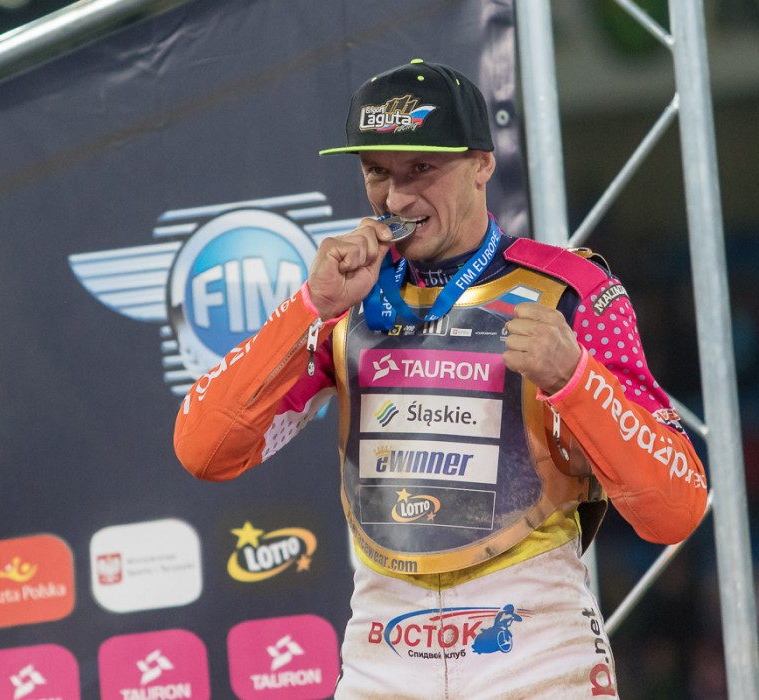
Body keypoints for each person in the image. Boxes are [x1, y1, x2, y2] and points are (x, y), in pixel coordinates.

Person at [174, 59, 708, 698]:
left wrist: (575, 380)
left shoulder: (571, 290)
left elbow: (675, 510)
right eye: (378, 172)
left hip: (536, 653)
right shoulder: (345, 298)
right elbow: (204, 451)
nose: (396, 199)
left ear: (482, 163)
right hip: (382, 658)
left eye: (421, 168)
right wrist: (309, 307)